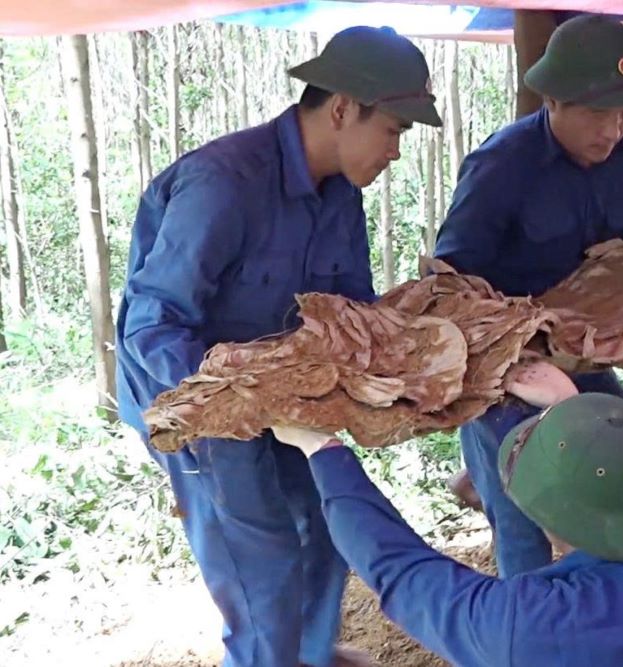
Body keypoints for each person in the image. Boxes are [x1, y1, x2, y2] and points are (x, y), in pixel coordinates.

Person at [114, 26, 441, 667]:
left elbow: (347, 309)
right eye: (395, 131)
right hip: (200, 408)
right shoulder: (223, 183)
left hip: (293, 396)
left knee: (324, 529)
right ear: (342, 108)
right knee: (261, 562)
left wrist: (414, 340)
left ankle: (307, 657)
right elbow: (151, 326)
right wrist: (238, 396)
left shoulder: (343, 191)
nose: (397, 152)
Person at [433, 14, 623, 577]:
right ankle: (525, 631)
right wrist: (506, 357)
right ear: (552, 100)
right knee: (519, 506)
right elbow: (449, 283)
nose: (614, 129)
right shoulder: (502, 167)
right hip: (509, 363)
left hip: (591, 348)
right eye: (599, 113)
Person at [271, 384, 623, 667]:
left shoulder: (538, 624)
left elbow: (404, 573)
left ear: (553, 523)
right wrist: (575, 405)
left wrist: (322, 451)